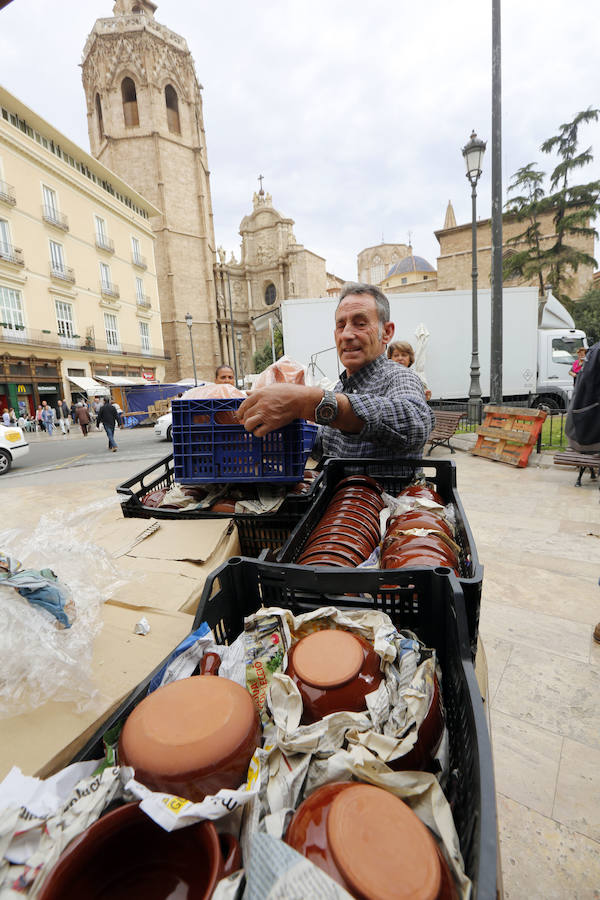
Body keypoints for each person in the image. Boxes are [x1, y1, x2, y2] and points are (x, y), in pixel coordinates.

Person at [237, 283, 435, 463]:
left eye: (360, 323)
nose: (347, 335)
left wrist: (308, 400)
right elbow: (325, 447)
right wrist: (286, 422)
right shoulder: (341, 387)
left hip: (386, 501)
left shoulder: (399, 376)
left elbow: (415, 424)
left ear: (387, 332)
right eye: (341, 325)